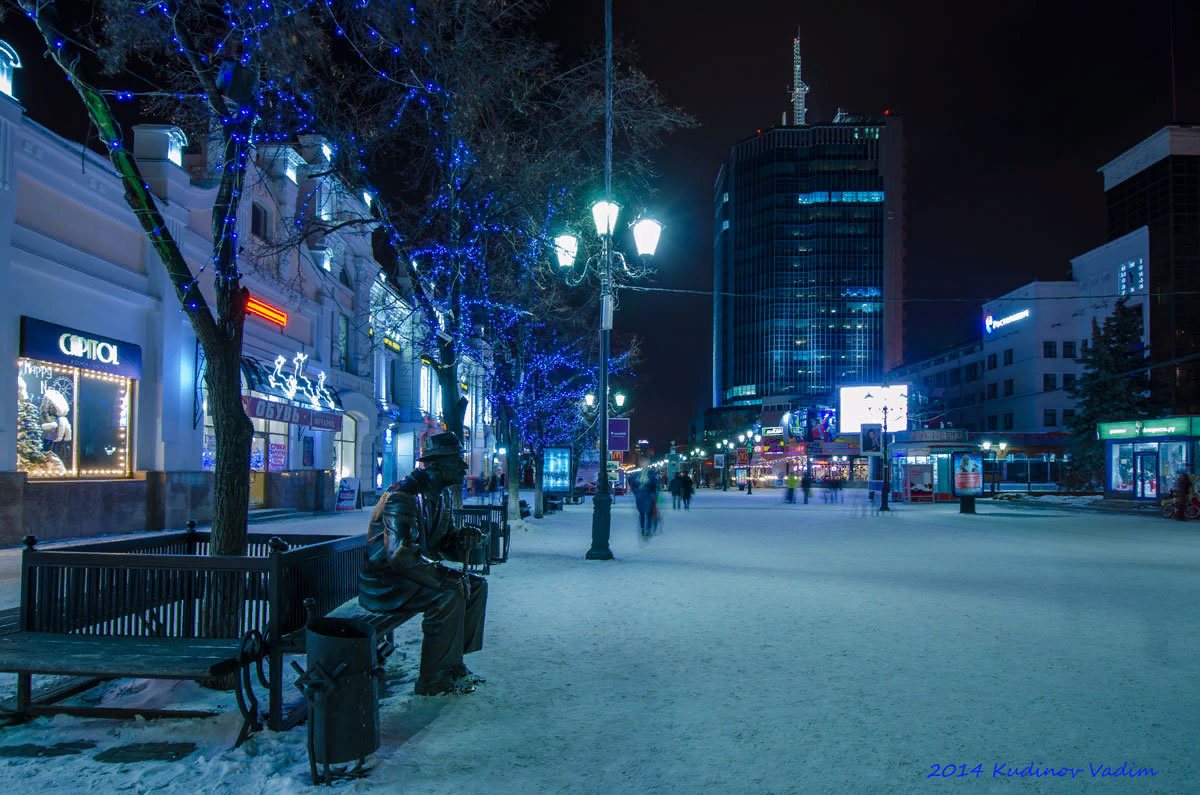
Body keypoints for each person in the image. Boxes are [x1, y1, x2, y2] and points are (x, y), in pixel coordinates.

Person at [359, 432, 489, 696]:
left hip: (408, 575)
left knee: (476, 586)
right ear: (436, 466)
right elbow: (399, 554)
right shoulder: (402, 497)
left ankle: (452, 664)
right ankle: (432, 679)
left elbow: (444, 542)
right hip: (387, 582)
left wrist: (465, 539)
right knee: (449, 593)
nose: (464, 467)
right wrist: (441, 577)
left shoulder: (441, 496)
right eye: (457, 461)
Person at [635, 470, 660, 534]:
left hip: (642, 498)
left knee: (643, 515)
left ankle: (643, 529)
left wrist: (636, 494)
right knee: (648, 515)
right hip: (647, 498)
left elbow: (634, 486)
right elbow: (655, 488)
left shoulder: (638, 479)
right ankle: (647, 529)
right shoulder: (652, 478)